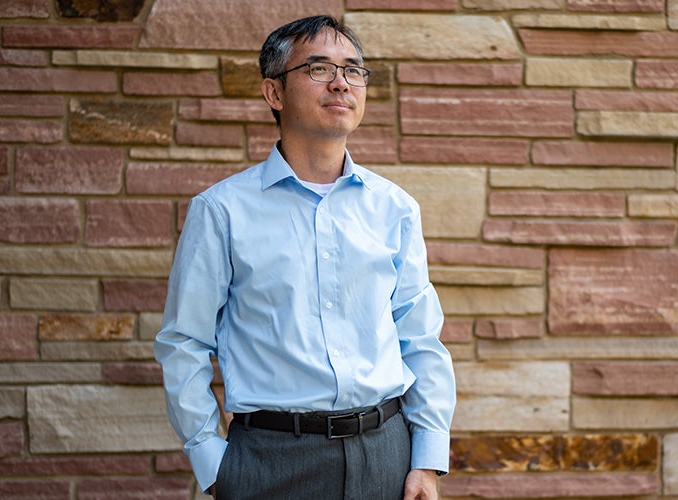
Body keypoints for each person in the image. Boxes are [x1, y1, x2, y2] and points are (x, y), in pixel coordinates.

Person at [154, 15, 456, 500]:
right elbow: (183, 342)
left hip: (386, 454)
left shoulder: (394, 207)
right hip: (269, 461)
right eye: (318, 68)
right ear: (274, 93)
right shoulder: (221, 211)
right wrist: (212, 461)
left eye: (354, 70)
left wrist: (427, 457)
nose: (341, 82)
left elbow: (420, 337)